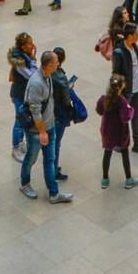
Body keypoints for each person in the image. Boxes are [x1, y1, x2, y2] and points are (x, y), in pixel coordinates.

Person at [19, 50, 73, 203]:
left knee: (50, 159)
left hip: (50, 125)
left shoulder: (48, 76)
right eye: (56, 62)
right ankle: (25, 183)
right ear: (49, 65)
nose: (58, 64)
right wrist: (42, 132)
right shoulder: (36, 83)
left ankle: (54, 193)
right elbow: (34, 111)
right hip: (37, 130)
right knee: (31, 157)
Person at [111, 23, 138, 155]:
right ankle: (119, 142)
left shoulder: (134, 47)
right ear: (129, 37)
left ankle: (137, 143)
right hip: (125, 91)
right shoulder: (119, 52)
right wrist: (116, 92)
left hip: (136, 89)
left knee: (135, 116)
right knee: (123, 117)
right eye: (136, 34)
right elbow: (116, 73)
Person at [97, 73, 138, 189]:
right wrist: (131, 110)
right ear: (121, 87)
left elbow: (99, 110)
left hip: (107, 131)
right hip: (120, 133)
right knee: (125, 154)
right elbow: (125, 118)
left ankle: (105, 179)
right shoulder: (122, 102)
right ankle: (128, 179)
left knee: (107, 153)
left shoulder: (104, 99)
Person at [7, 33, 38, 161]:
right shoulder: (20, 62)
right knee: (19, 120)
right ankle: (15, 147)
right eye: (30, 44)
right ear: (23, 46)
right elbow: (31, 75)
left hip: (24, 94)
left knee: (25, 119)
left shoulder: (26, 56)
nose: (33, 45)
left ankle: (21, 143)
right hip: (19, 94)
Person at [50, 46, 76, 183]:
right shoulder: (61, 77)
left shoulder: (48, 73)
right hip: (59, 114)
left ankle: (53, 167)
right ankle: (53, 170)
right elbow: (66, 100)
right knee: (56, 143)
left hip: (50, 112)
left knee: (53, 142)